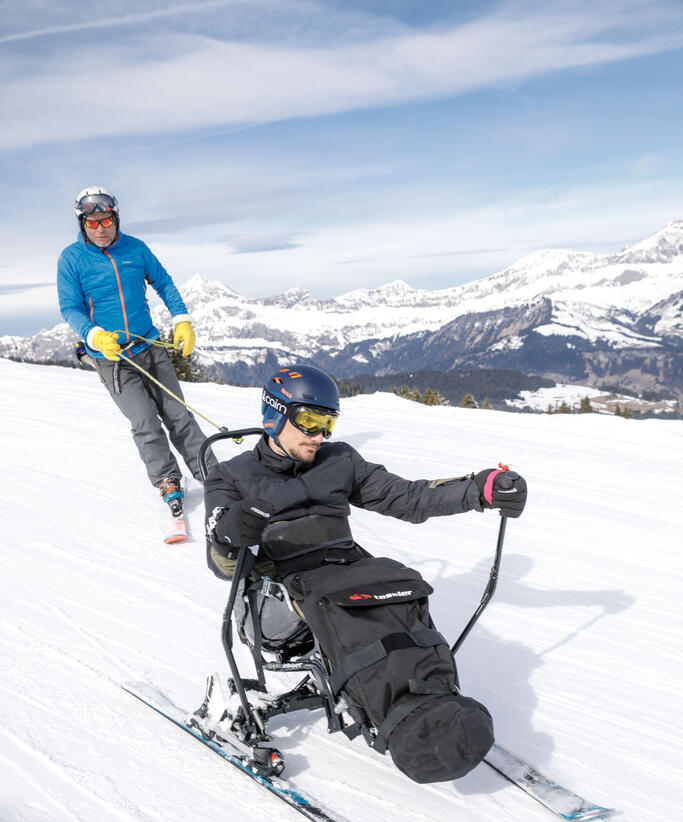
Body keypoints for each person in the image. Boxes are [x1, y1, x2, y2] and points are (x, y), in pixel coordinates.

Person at [203, 364, 528, 785]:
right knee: (350, 611)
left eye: (328, 423)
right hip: (274, 597)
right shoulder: (231, 476)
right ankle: (399, 716)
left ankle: (428, 696)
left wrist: (479, 489)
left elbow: (407, 497)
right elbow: (221, 562)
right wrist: (232, 531)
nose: (320, 436)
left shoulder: (340, 460)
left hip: (343, 572)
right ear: (274, 415)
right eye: (310, 421)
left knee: (402, 592)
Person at [57, 186, 216, 519]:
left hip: (150, 347)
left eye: (106, 221)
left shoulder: (136, 249)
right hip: (112, 359)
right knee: (145, 422)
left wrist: (182, 319)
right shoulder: (71, 259)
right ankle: (168, 479)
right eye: (93, 223)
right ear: (82, 224)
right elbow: (70, 308)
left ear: (115, 219)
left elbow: (164, 283)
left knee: (179, 416)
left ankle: (212, 475)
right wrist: (95, 335)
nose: (101, 229)